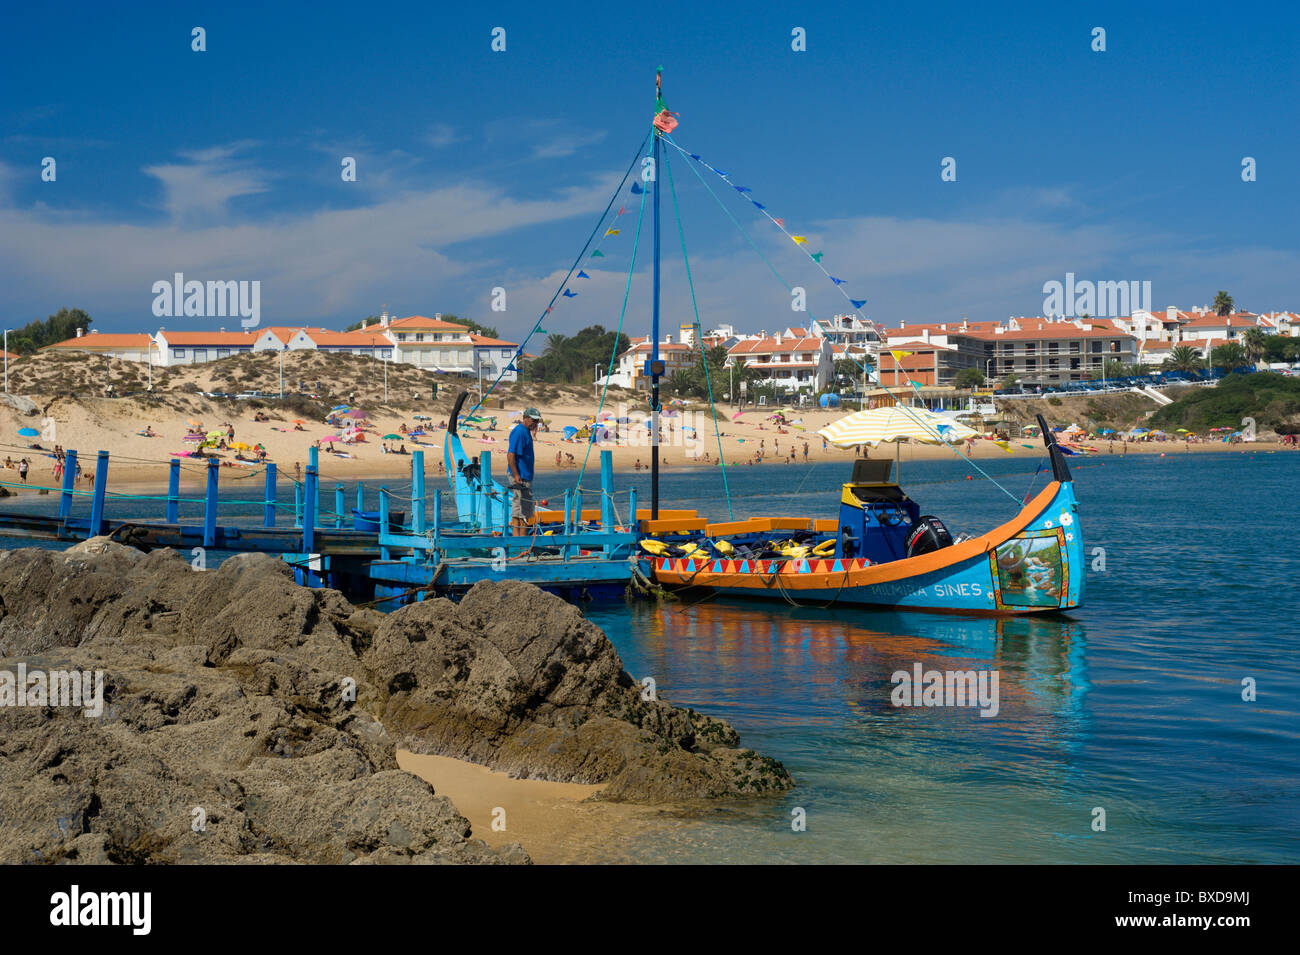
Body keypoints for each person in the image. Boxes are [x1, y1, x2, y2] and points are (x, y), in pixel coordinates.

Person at [507, 407, 540, 534]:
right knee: (520, 511)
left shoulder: (526, 432)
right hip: (520, 476)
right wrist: (516, 475)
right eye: (533, 420)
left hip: (525, 475)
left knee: (525, 512)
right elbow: (511, 455)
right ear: (525, 418)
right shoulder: (519, 432)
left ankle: (522, 542)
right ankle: (519, 543)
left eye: (537, 421)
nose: (535, 423)